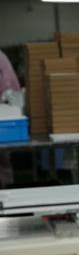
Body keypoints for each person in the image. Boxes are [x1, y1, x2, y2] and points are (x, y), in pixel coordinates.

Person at [0, 50, 21, 188]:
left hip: (4, 115)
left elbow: (8, 89)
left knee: (3, 160)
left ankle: (5, 189)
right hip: (6, 113)